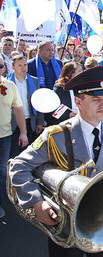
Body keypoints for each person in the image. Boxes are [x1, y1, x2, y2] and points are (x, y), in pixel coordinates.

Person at [8, 66, 103, 256]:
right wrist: (37, 203)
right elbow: (18, 166)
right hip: (66, 229)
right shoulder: (56, 135)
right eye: (95, 100)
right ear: (78, 101)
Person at [0, 56, 28, 218]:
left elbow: (18, 110)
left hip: (4, 136)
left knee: (2, 171)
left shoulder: (9, 86)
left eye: (0, 66)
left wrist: (23, 132)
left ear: (4, 68)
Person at [8, 55, 44, 156]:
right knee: (14, 152)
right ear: (13, 67)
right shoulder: (8, 82)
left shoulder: (33, 81)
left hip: (30, 121)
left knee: (28, 153)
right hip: (13, 122)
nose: (23, 68)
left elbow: (38, 102)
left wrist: (40, 122)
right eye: (20, 65)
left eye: (25, 65)